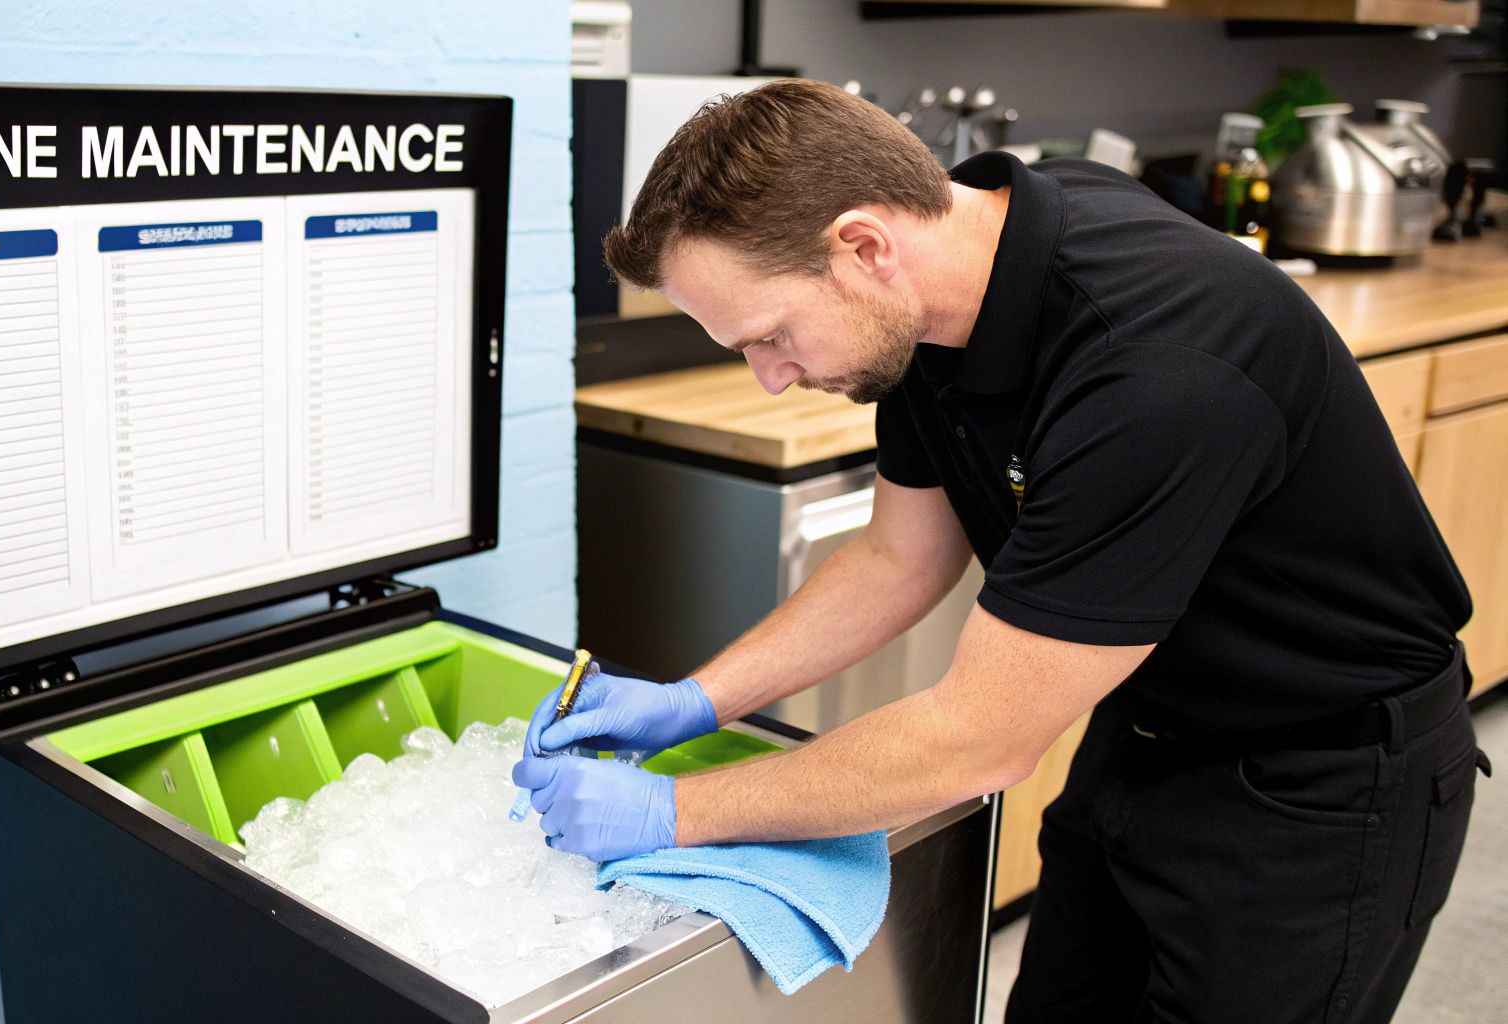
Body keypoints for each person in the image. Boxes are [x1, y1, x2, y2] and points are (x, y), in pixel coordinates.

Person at [510, 79, 1490, 1022]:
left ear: (862, 245)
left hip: (1320, 785)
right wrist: (696, 699)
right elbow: (896, 558)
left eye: (768, 336)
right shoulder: (944, 287)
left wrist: (669, 813)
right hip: (1141, 732)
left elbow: (977, 739)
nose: (767, 379)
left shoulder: (1153, 376)